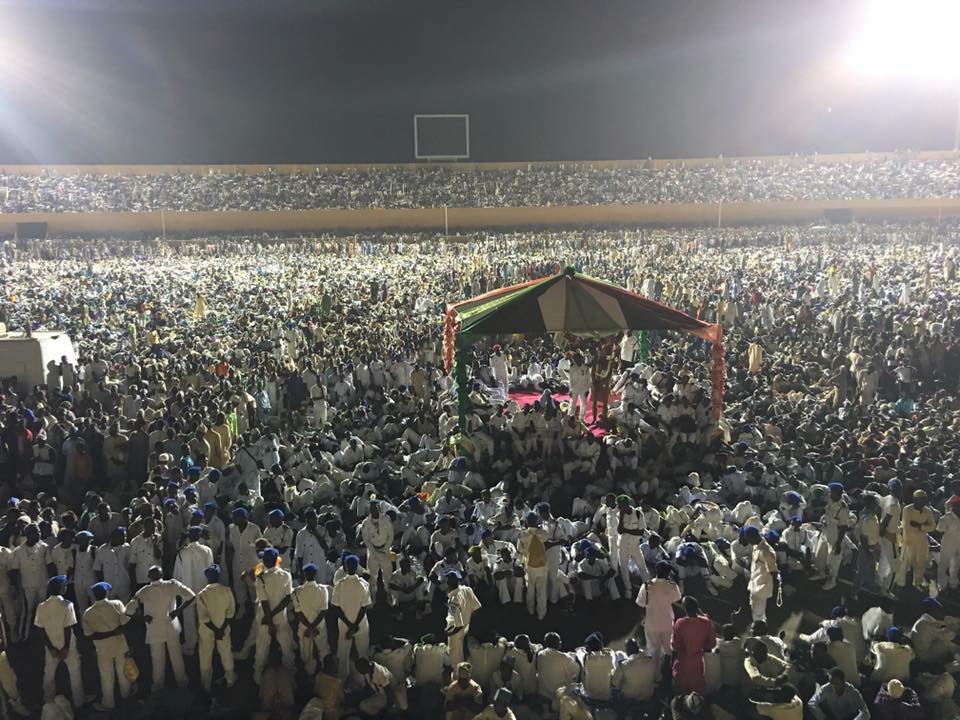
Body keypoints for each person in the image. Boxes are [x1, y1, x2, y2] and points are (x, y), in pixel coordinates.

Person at [125, 565, 194, 691]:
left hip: (154, 629)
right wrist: (178, 610)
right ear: (162, 575)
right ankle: (182, 683)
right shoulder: (172, 584)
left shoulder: (144, 591)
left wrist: (143, 618)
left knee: (157, 660)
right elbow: (191, 596)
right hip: (171, 626)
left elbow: (128, 610)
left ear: (148, 577)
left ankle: (158, 686)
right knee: (176, 656)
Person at [35, 575, 85, 707]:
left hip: (51, 646)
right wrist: (66, 647)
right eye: (65, 586)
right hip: (67, 646)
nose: (66, 588)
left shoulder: (41, 606)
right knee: (75, 673)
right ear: (61, 588)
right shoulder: (68, 605)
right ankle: (79, 701)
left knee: (49, 675)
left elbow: (40, 629)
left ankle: (49, 702)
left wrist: (51, 647)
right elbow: (68, 627)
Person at [82, 581, 132, 711]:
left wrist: (106, 634)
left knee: (106, 675)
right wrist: (115, 633)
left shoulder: (87, 613)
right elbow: (125, 623)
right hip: (120, 644)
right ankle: (126, 696)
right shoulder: (117, 604)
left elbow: (89, 635)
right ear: (107, 592)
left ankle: (108, 703)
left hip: (102, 648)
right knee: (123, 672)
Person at [253, 546, 295, 684]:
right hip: (280, 617)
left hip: (265, 618)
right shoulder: (286, 575)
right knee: (286, 647)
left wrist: (269, 620)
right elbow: (287, 598)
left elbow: (264, 602)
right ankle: (291, 676)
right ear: (277, 560)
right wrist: (275, 614)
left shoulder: (261, 579)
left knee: (262, 648)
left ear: (264, 562)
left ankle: (258, 677)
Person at [172, 524, 213, 655]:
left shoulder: (182, 553)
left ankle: (191, 644)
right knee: (204, 615)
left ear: (188, 537)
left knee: (189, 616)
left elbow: (176, 576)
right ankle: (206, 642)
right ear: (200, 536)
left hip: (187, 589)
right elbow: (211, 569)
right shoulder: (207, 550)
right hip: (203, 587)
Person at [636, 560, 682, 677]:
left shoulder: (646, 586)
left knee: (653, 652)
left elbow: (640, 603)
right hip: (667, 622)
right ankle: (673, 674)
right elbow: (677, 597)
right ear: (668, 573)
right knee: (670, 650)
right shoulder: (672, 586)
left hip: (652, 623)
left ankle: (656, 677)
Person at [195, 563, 236, 691]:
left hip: (207, 631)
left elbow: (204, 618)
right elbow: (231, 612)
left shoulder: (201, 595)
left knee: (205, 656)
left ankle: (206, 684)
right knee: (226, 653)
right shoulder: (227, 591)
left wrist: (215, 630)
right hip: (223, 629)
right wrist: (221, 629)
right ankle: (230, 679)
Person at [331, 554, 372, 679]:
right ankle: (364, 680)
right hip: (361, 625)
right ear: (356, 567)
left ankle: (342, 680)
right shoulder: (363, 584)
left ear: (346, 567)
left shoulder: (339, 584)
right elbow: (364, 607)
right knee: (363, 652)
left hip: (344, 625)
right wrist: (355, 625)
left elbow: (335, 607)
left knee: (343, 653)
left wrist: (349, 625)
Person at [671, 596, 716, 694]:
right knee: (698, 689)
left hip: (683, 661)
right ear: (697, 608)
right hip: (698, 660)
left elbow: (675, 645)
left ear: (684, 608)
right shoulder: (706, 622)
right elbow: (712, 644)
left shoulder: (680, 623)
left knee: (681, 688)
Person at [292, 562, 329, 675]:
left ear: (304, 574)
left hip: (304, 628)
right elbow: (324, 611)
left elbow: (298, 613)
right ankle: (325, 674)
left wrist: (309, 627)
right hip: (319, 627)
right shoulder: (323, 590)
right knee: (323, 651)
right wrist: (314, 627)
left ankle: (308, 676)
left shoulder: (297, 592)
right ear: (315, 574)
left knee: (306, 654)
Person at [896, 489, 934, 591]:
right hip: (909, 540)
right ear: (915, 500)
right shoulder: (907, 510)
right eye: (920, 499)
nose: (922, 502)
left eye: (924, 499)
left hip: (922, 541)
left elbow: (932, 527)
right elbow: (907, 527)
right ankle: (901, 583)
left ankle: (917, 582)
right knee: (905, 562)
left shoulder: (928, 511)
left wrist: (919, 526)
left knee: (921, 562)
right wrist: (924, 526)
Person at [444, 569, 482, 667]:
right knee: (464, 656)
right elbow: (478, 608)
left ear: (448, 583)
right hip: (466, 628)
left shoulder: (453, 600)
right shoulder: (467, 589)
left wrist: (449, 633)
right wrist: (468, 620)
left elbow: (458, 624)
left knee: (455, 661)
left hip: (455, 632)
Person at [516, 512, 548, 620]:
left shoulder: (523, 535)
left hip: (530, 566)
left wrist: (526, 552)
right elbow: (546, 540)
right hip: (542, 565)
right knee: (541, 590)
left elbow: (519, 549)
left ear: (526, 522)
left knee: (530, 589)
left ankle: (530, 611)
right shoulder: (543, 533)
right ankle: (541, 614)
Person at [743, 526, 779, 622]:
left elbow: (773, 571)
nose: (747, 541)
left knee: (758, 613)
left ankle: (759, 631)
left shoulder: (765, 550)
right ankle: (760, 626)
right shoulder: (756, 546)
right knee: (756, 610)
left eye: (748, 538)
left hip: (761, 587)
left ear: (753, 536)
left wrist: (775, 590)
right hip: (755, 584)